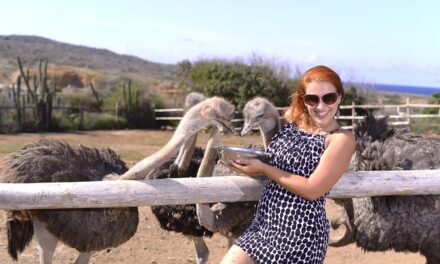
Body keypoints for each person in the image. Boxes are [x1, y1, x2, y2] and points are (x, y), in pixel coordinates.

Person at [220, 65, 355, 264]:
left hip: (300, 234)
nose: (320, 105)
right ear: (303, 99)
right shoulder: (292, 122)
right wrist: (246, 161)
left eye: (328, 98)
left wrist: (263, 169)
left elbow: (313, 189)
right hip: (264, 225)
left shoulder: (340, 139)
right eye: (312, 99)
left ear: (339, 97)